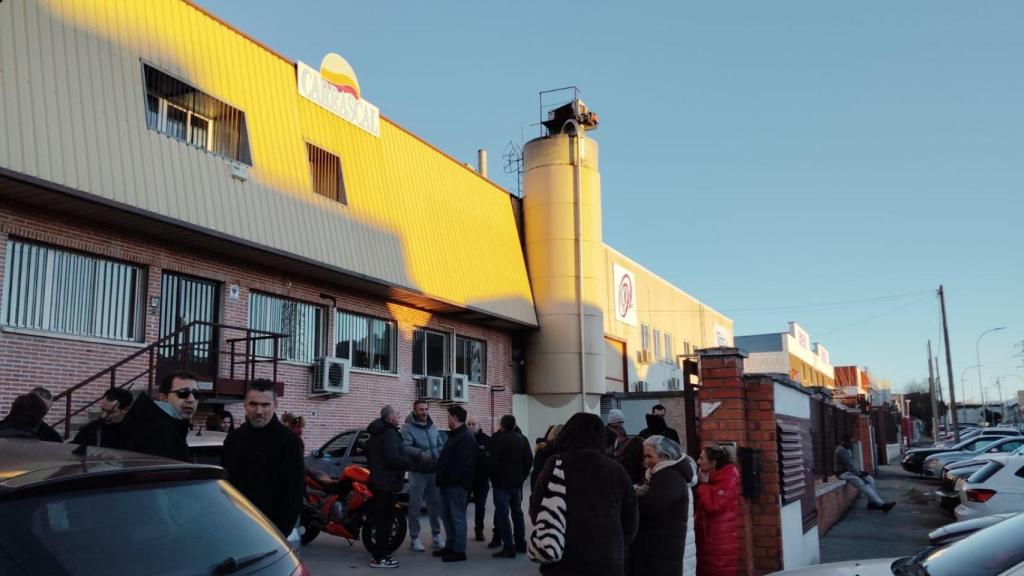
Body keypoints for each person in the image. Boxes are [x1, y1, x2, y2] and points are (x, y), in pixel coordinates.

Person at [529, 412, 638, 576]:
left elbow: (537, 509)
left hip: (564, 558)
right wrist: (616, 544)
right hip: (607, 559)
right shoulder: (616, 469)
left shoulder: (555, 465)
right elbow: (631, 520)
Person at [220, 379, 305, 537]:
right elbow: (226, 488)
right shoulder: (234, 439)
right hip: (235, 528)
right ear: (245, 404)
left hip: (271, 533)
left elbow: (293, 495)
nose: (259, 411)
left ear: (275, 405)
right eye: (253, 404)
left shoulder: (289, 442)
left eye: (265, 405)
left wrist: (277, 535)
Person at [628, 435, 697, 576]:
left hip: (662, 551)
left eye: (650, 456)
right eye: (644, 457)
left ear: (665, 457)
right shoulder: (664, 476)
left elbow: (651, 507)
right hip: (664, 550)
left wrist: (632, 501)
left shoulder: (669, 477)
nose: (646, 462)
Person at [366, 404, 413, 569]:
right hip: (386, 484)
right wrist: (409, 462)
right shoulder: (390, 434)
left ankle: (381, 555)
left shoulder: (376, 433)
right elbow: (393, 459)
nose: (399, 417)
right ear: (390, 417)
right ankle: (380, 558)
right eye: (397, 414)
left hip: (378, 482)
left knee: (381, 520)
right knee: (385, 521)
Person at [121, 370, 197, 461]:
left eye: (196, 394)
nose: (191, 399)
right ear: (163, 398)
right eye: (183, 393)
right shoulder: (160, 431)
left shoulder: (166, 425)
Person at [401, 400, 445, 552]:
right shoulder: (407, 428)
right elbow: (405, 447)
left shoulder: (432, 426)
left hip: (433, 471)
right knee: (415, 506)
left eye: (426, 409)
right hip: (417, 472)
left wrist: (437, 452)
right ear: (414, 410)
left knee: (435, 506)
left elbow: (439, 443)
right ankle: (414, 538)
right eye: (421, 410)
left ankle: (437, 536)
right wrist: (420, 453)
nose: (424, 412)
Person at [434, 405, 475, 563]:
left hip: (456, 485)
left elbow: (465, 464)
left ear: (455, 417)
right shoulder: (456, 435)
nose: (447, 419)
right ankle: (450, 545)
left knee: (457, 517)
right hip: (446, 483)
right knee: (446, 515)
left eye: (449, 416)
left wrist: (454, 480)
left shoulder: (465, 436)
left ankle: (459, 550)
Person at [488, 414, 533, 558]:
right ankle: (520, 544)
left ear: (502, 425)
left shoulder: (498, 440)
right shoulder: (522, 439)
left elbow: (492, 463)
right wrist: (522, 477)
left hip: (501, 484)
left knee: (503, 515)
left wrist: (493, 478)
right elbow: (529, 460)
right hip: (516, 483)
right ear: (514, 425)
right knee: (517, 513)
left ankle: (508, 547)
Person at [694, 445, 740, 576]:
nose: (698, 462)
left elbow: (714, 507)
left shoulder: (728, 480)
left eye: (701, 458)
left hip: (718, 546)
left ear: (713, 463)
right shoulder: (715, 480)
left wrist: (703, 485)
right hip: (711, 543)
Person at [836, 435, 895, 512]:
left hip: (849, 471)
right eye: (850, 442)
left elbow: (851, 466)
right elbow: (849, 466)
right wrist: (859, 475)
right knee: (863, 482)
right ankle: (882, 504)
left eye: (851, 442)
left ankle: (871, 503)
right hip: (843, 473)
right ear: (844, 442)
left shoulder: (847, 449)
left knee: (870, 479)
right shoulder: (841, 450)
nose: (851, 444)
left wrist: (861, 473)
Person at [466, 416, 492, 543]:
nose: (471, 426)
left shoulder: (487, 440)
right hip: (466, 479)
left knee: (480, 506)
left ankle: (479, 531)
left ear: (479, 426)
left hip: (481, 479)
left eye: (473, 424)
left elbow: (491, 458)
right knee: (462, 505)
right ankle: (460, 531)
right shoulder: (464, 439)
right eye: (469, 424)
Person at [531, 424, 563, 490]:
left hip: (543, 487)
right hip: (549, 487)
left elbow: (536, 470)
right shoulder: (547, 449)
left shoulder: (543, 448)